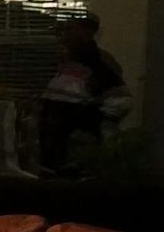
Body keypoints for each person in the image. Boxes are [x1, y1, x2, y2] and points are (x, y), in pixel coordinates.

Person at [40, 13, 131, 175]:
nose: (64, 35)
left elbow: (121, 99)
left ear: (86, 32)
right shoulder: (66, 58)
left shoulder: (100, 62)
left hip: (79, 147)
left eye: (70, 29)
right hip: (55, 144)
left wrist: (92, 121)